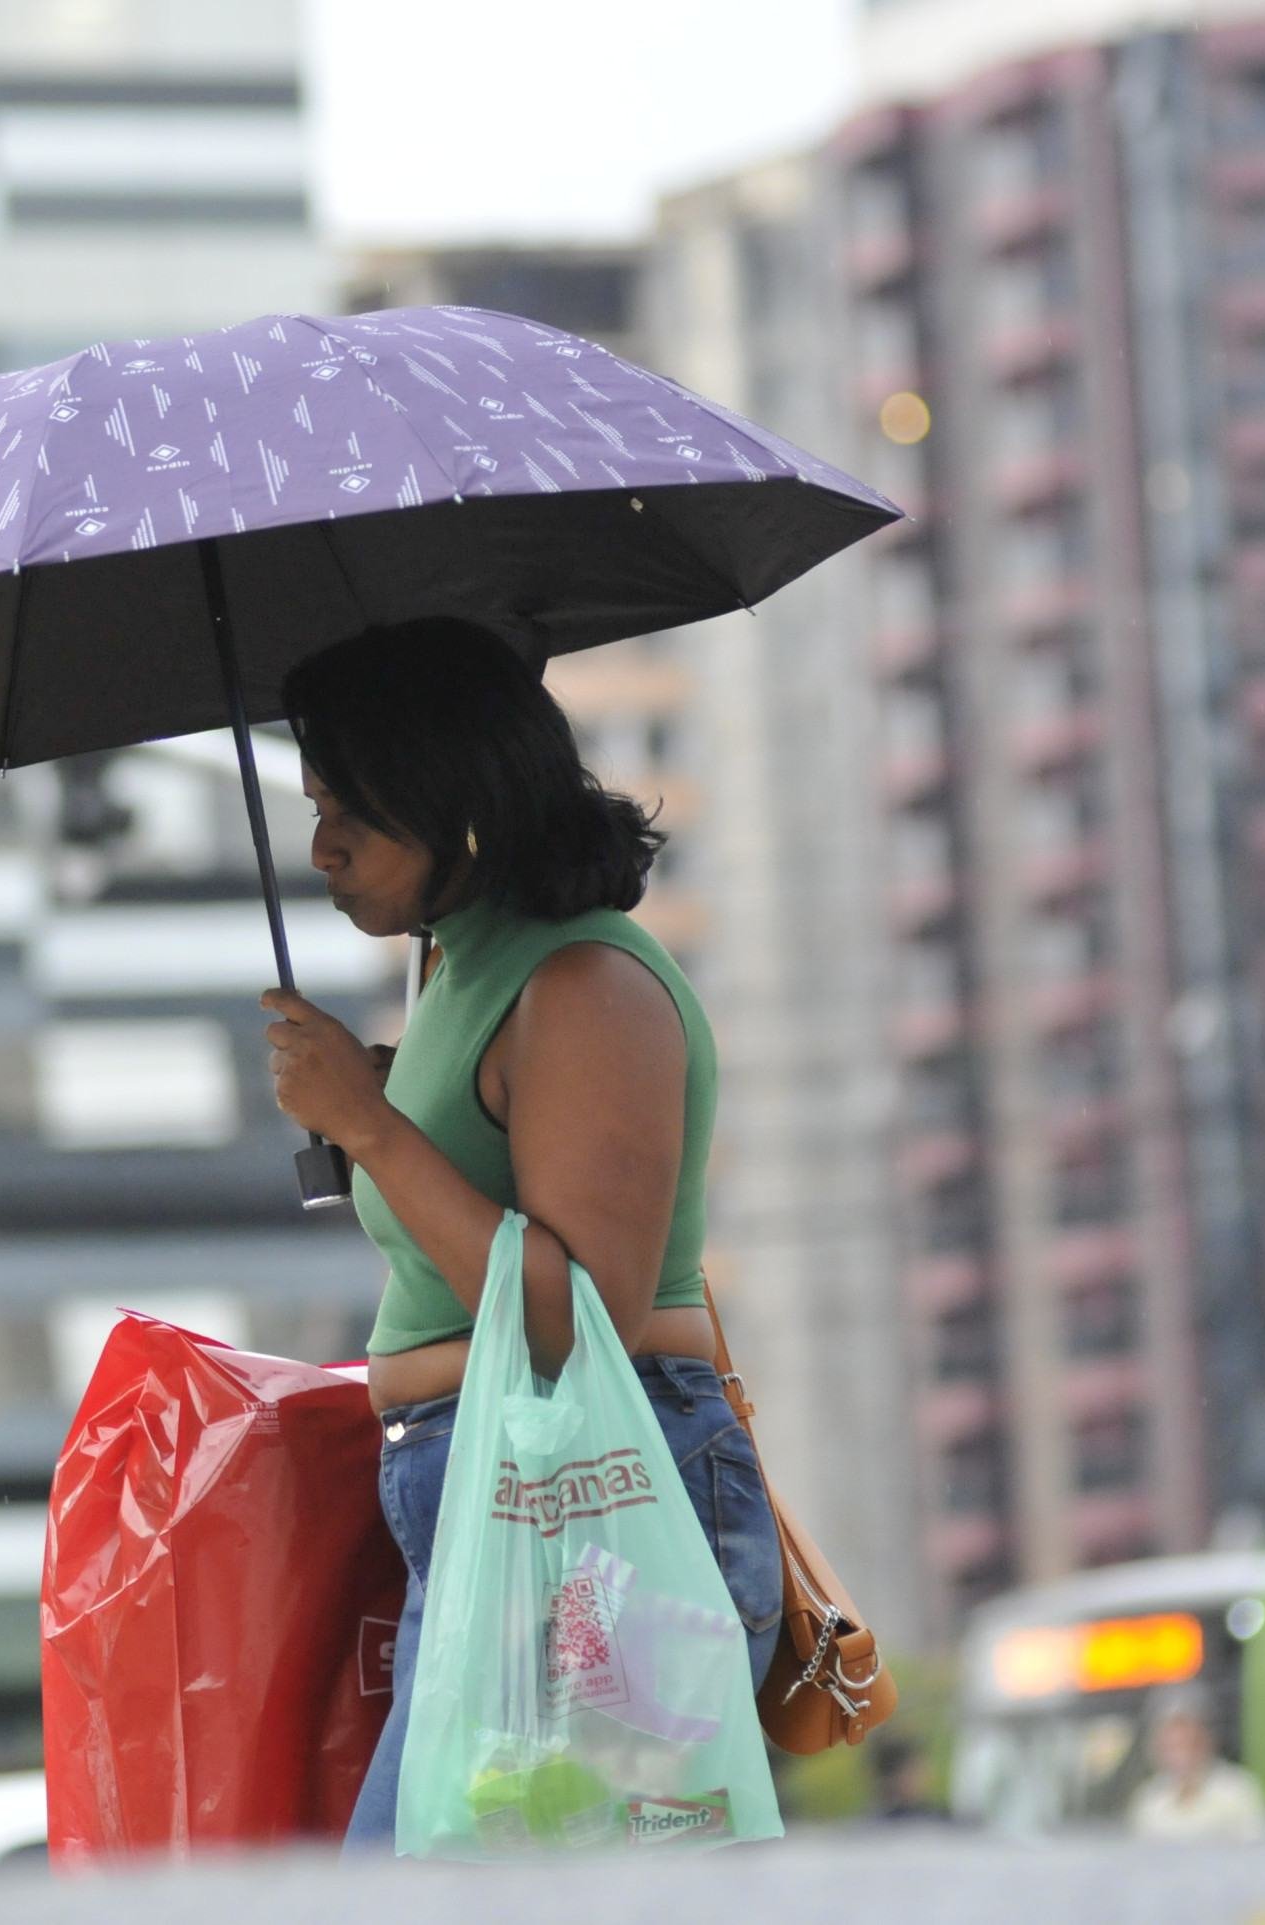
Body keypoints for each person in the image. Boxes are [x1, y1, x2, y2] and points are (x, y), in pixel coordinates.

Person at [257, 619, 786, 1853]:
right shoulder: (456, 970)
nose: (322, 845)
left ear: (461, 805)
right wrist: (384, 1116)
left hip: (590, 1507)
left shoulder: (584, 985)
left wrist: (376, 1129)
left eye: (353, 810)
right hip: (502, 1513)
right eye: (313, 804)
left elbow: (574, 1318)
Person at [1126, 1705, 1265, 1843]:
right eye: (1171, 1747)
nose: (1180, 1756)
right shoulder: (1149, 1800)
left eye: (1188, 1744)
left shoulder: (1238, 1790)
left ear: (1206, 1742)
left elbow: (1258, 1847)